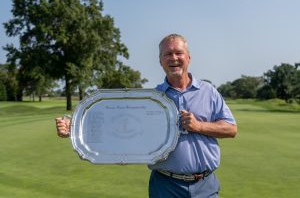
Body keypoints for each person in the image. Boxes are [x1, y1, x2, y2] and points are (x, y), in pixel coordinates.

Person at [55, 33, 237, 198]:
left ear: (188, 57)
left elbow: (231, 129)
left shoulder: (208, 91)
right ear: (160, 61)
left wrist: (199, 126)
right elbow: (117, 124)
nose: (173, 58)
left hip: (205, 185)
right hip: (166, 186)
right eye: (167, 54)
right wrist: (74, 127)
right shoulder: (150, 99)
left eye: (178, 53)